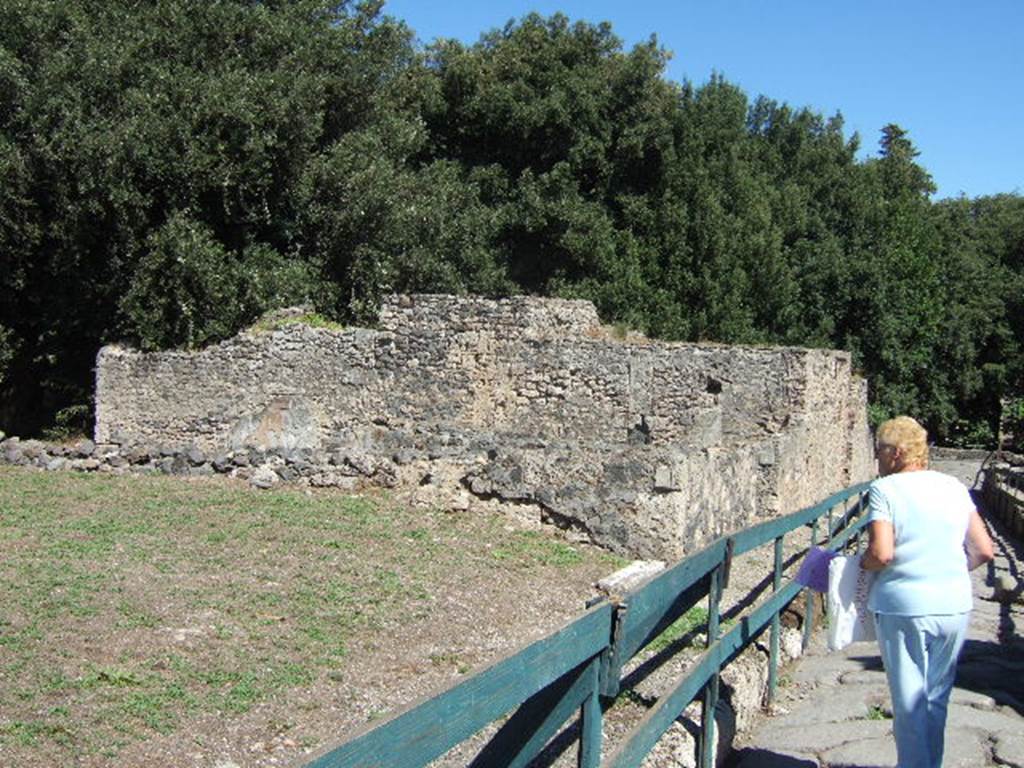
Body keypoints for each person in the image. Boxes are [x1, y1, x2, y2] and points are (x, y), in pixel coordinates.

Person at [861, 416, 994, 768]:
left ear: (897, 453)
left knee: (909, 705)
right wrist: (944, 569)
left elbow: (881, 553)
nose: (877, 458)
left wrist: (857, 567)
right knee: (935, 700)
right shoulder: (953, 487)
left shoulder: (885, 490)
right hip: (954, 605)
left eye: (879, 450)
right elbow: (983, 549)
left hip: (904, 607)